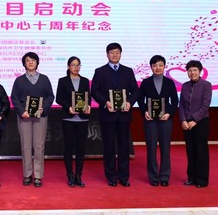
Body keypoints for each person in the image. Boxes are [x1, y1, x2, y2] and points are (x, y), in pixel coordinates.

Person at [90, 43, 138, 187]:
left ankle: (124, 177)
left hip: (124, 115)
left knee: (124, 147)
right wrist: (106, 102)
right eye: (112, 52)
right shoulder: (100, 71)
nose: (115, 55)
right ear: (107, 54)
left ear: (121, 54)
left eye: (117, 52)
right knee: (109, 147)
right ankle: (111, 176)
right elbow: (94, 91)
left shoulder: (128, 71)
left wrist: (129, 102)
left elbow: (135, 91)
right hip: (108, 114)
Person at [10, 52, 55, 188]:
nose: (30, 62)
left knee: (39, 146)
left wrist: (43, 108)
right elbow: (14, 98)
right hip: (24, 117)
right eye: (28, 60)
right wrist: (22, 111)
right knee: (26, 146)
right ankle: (27, 174)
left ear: (37, 62)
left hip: (40, 116)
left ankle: (38, 175)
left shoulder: (44, 79)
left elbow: (50, 96)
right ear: (24, 63)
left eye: (33, 60)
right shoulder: (19, 80)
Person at [137, 55, 178, 187]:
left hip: (165, 119)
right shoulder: (146, 82)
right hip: (150, 120)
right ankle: (153, 176)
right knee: (151, 148)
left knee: (165, 148)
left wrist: (169, 113)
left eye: (160, 65)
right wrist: (145, 112)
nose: (158, 68)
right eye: (155, 66)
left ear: (164, 66)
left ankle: (164, 176)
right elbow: (140, 100)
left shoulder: (169, 82)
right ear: (151, 67)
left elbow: (174, 101)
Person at [55, 56, 91, 187]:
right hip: (68, 118)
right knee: (69, 148)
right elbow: (58, 98)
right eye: (73, 65)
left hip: (82, 119)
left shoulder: (85, 81)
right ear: (68, 66)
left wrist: (88, 106)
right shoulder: (63, 81)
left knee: (81, 148)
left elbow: (88, 97)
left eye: (78, 65)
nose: (76, 67)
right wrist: (68, 107)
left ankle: (78, 175)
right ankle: (70, 174)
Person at [179, 60, 212, 188]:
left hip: (201, 122)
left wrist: (194, 120)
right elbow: (181, 104)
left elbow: (205, 105)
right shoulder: (185, 86)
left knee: (201, 150)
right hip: (187, 123)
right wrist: (183, 120)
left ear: (200, 71)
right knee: (190, 150)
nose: (192, 73)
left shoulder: (206, 85)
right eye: (190, 70)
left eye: (195, 70)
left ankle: (201, 180)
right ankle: (191, 178)